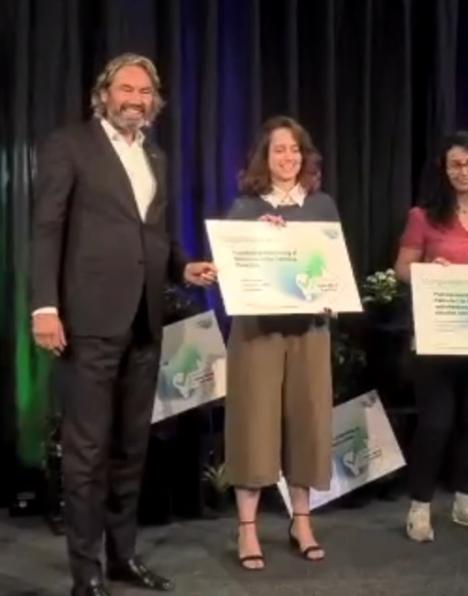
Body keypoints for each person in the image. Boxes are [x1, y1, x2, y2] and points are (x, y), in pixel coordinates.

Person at [29, 53, 217, 596]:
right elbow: (47, 228)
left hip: (144, 322)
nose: (135, 99)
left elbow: (152, 233)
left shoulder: (154, 155)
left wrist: (182, 266)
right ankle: (85, 572)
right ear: (104, 94)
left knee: (131, 450)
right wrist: (45, 306)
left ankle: (121, 557)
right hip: (88, 319)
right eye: (126, 89)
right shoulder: (70, 145)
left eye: (144, 92)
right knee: (87, 452)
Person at [224, 116, 338, 570]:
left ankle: (301, 522)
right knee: (253, 425)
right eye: (279, 149)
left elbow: (334, 267)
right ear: (264, 157)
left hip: (310, 330)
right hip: (257, 332)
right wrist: (257, 237)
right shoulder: (245, 208)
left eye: (295, 149)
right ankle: (247, 528)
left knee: (308, 422)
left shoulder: (322, 205)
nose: (288, 157)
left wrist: (332, 295)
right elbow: (229, 269)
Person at [394, 131, 468, 543]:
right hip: (438, 337)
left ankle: (465, 502)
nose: (464, 171)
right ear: (443, 171)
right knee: (436, 424)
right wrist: (429, 271)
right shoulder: (423, 216)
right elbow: (401, 268)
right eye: (456, 164)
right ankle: (419, 507)